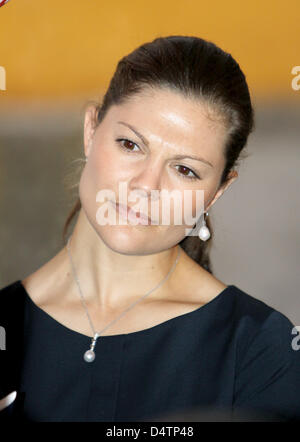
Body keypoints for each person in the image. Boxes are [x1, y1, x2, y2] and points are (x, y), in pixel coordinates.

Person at [0, 35, 299, 422]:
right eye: (130, 144)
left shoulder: (262, 349)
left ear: (218, 191)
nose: (146, 185)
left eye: (185, 169)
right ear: (91, 130)